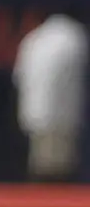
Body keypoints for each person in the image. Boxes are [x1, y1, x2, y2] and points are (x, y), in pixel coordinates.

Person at [13, 12, 87, 181]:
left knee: (50, 161)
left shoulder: (34, 39)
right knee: (54, 166)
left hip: (38, 112)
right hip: (61, 114)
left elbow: (18, 76)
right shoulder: (73, 37)